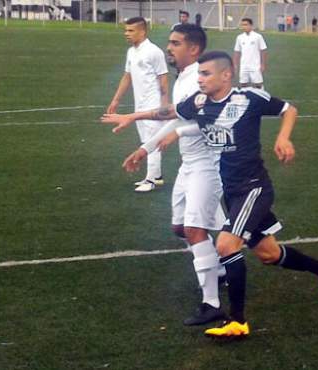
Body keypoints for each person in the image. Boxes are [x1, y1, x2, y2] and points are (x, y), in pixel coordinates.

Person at [102, 51, 318, 338]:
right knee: (269, 254)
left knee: (226, 246)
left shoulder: (250, 98)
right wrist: (134, 116)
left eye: (206, 74)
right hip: (232, 193)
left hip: (254, 189)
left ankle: (237, 321)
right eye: (199, 74)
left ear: (226, 75)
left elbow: (289, 109)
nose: (200, 79)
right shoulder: (200, 102)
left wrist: (283, 136)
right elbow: (169, 113)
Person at [104, 24, 227, 326]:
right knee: (179, 228)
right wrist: (145, 148)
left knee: (196, 231)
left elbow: (182, 116)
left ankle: (212, 302)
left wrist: (136, 122)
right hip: (190, 163)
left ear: (194, 48)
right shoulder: (185, 77)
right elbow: (180, 117)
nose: (169, 48)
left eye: (175, 43)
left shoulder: (200, 78)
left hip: (207, 165)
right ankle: (222, 267)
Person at [107, 17, 169, 192]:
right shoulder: (131, 52)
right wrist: (116, 99)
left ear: (143, 31)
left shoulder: (153, 52)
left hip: (153, 104)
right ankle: (156, 176)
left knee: (153, 140)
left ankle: (150, 180)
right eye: (126, 30)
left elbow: (163, 78)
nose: (126, 34)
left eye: (131, 30)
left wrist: (164, 106)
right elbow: (127, 76)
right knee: (146, 139)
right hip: (139, 104)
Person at [233, 18, 268, 89]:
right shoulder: (239, 37)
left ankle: (261, 97)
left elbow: (263, 51)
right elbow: (237, 52)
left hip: (255, 65)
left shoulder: (258, 37)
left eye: (246, 25)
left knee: (258, 84)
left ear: (251, 26)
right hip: (244, 65)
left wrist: (263, 64)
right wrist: (235, 64)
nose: (244, 27)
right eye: (242, 25)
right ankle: (245, 97)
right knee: (243, 84)